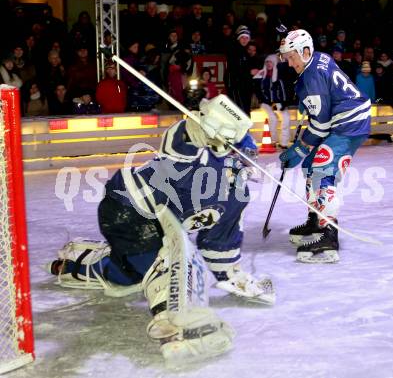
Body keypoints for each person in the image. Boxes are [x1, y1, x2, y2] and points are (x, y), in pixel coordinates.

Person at [46, 94, 274, 364]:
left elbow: (219, 243)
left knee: (125, 277)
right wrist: (201, 127)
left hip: (158, 227)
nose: (245, 165)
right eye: (241, 157)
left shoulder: (237, 193)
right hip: (128, 208)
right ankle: (178, 327)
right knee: (165, 266)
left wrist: (234, 277)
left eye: (249, 159)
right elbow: (178, 144)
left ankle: (75, 264)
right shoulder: (199, 156)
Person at [278, 29, 371, 263]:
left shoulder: (310, 78)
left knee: (322, 166)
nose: (290, 64)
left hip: (349, 123)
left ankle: (329, 232)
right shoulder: (317, 58)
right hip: (343, 118)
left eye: (292, 57)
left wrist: (298, 149)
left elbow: (321, 126)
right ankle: (315, 219)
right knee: (310, 166)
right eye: (287, 58)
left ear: (305, 51)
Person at [255, 54, 291, 149]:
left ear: (275, 63)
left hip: (277, 102)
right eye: (267, 62)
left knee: (286, 117)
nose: (268, 64)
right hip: (265, 103)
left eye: (270, 62)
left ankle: (284, 142)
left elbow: (283, 90)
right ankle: (273, 141)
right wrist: (268, 101)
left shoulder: (279, 75)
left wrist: (282, 103)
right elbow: (259, 92)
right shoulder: (261, 76)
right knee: (273, 118)